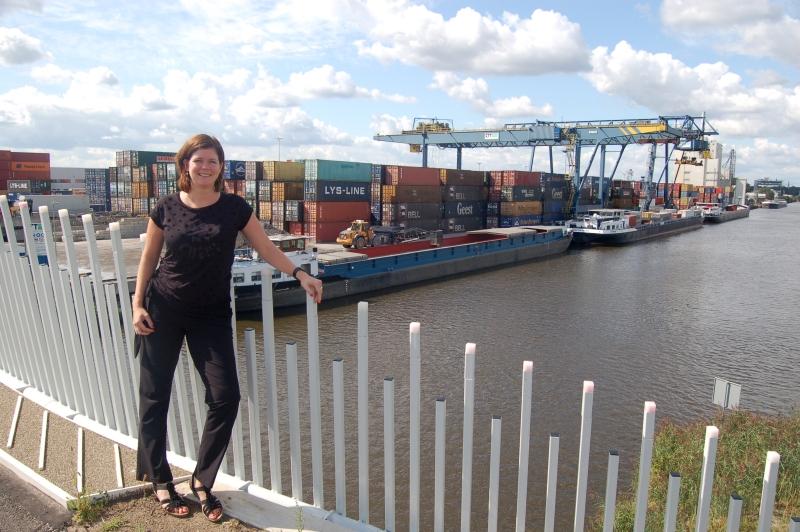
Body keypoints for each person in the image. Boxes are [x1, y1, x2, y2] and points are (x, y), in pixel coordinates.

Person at [132, 134, 322, 522]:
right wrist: (137, 305)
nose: (205, 167)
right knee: (155, 397)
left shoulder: (234, 208)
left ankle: (202, 480)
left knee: (225, 397)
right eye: (198, 160)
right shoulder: (165, 208)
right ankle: (160, 479)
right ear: (185, 164)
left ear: (221, 168)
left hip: (211, 314)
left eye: (213, 161)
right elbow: (149, 258)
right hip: (164, 307)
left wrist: (300, 272)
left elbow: (266, 248)